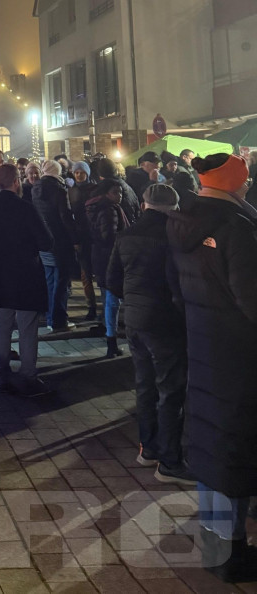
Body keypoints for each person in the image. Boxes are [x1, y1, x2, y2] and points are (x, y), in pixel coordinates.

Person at [166, 153, 257, 582]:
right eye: (245, 178)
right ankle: (229, 555)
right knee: (233, 445)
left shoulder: (183, 220)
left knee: (212, 440)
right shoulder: (236, 228)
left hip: (203, 342)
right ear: (235, 183)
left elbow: (176, 285)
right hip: (239, 353)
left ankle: (216, 542)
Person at [106, 183, 190, 483]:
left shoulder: (126, 234)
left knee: (144, 386)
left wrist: (132, 299)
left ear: (144, 205)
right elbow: (180, 282)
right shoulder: (173, 236)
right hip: (165, 321)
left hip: (135, 319)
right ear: (174, 208)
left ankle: (148, 448)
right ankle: (169, 461)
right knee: (170, 389)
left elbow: (112, 280)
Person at [0, 163, 53, 396]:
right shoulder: (26, 208)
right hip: (25, 275)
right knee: (27, 327)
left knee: (1, 325)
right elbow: (46, 242)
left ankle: (1, 374)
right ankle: (28, 375)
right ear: (17, 181)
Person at [32, 159, 77, 333]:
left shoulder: (36, 188)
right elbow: (65, 217)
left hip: (44, 241)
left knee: (50, 280)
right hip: (60, 241)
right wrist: (75, 239)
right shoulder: (59, 189)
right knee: (61, 282)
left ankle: (50, 317)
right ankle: (59, 320)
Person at [85, 179, 129, 357]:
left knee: (107, 297)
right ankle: (112, 340)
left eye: (121, 192)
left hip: (98, 256)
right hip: (109, 258)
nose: (120, 196)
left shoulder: (94, 206)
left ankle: (109, 334)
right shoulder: (109, 209)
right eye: (115, 192)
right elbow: (109, 236)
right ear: (106, 194)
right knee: (113, 300)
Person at [69, 160, 98, 321]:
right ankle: (91, 306)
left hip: (94, 235)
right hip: (81, 236)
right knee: (85, 274)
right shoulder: (71, 191)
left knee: (98, 272)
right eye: (77, 172)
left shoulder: (94, 190)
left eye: (82, 172)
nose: (79, 175)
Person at [96, 158, 140, 223]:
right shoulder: (125, 185)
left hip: (122, 226)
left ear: (100, 174)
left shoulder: (105, 189)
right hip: (132, 223)